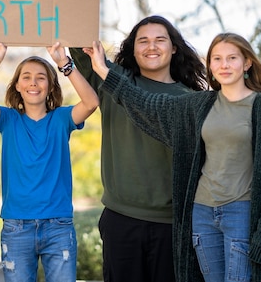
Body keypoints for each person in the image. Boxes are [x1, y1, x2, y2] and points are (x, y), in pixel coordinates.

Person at [85, 32, 261, 282]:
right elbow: (146, 105)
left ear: (247, 63)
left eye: (232, 58)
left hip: (241, 212)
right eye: (217, 58)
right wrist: (102, 69)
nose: (224, 65)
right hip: (202, 214)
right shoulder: (198, 105)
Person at [69, 15, 207, 282]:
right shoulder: (110, 80)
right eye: (143, 41)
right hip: (121, 220)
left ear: (174, 47)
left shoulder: (192, 101)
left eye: (159, 40)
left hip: (173, 226)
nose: (151, 46)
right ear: (133, 49)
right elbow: (78, 43)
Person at [0, 41, 99, 282]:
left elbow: (91, 103)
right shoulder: (8, 120)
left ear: (50, 86)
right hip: (17, 227)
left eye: (41, 78)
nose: (33, 83)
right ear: (17, 85)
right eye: (26, 77)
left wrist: (64, 64)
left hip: (58, 226)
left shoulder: (61, 119)